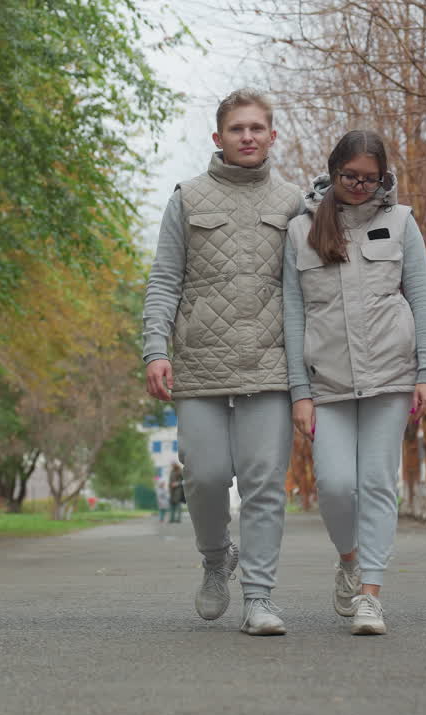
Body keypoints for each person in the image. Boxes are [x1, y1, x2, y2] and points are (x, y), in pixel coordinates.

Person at [142, 88, 302, 636]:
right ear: (219, 137)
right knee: (206, 477)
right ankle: (216, 559)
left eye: (257, 128)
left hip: (272, 363)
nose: (248, 137)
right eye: (237, 129)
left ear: (272, 136)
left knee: (263, 483)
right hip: (200, 363)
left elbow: (312, 287)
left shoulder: (294, 202)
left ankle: (259, 598)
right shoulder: (187, 197)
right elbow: (164, 280)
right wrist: (155, 349)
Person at [283, 130, 426, 636]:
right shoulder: (300, 231)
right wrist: (299, 393)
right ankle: (349, 560)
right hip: (325, 382)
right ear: (332, 171)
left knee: (376, 483)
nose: (359, 185)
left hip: (390, 377)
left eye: (370, 178)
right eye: (350, 175)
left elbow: (422, 298)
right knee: (334, 484)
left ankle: (370, 593)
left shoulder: (400, 222)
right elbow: (292, 314)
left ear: (383, 178)